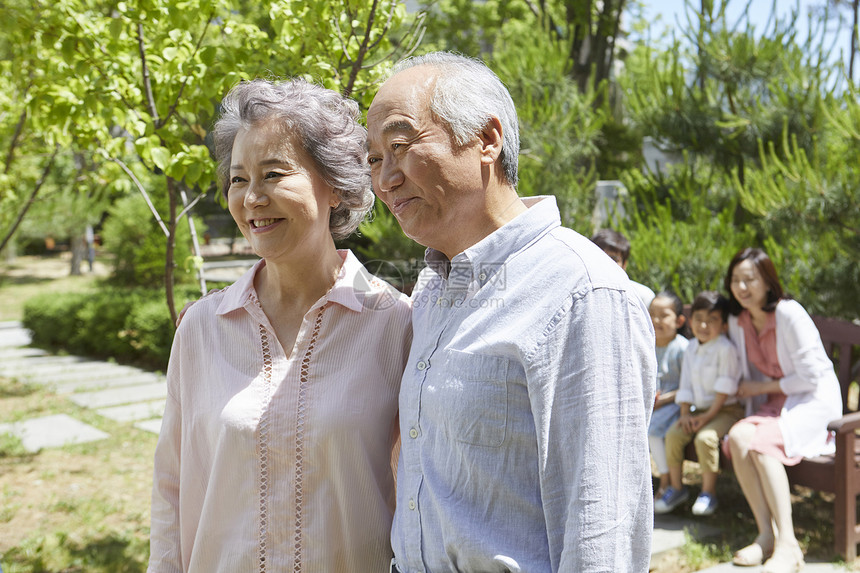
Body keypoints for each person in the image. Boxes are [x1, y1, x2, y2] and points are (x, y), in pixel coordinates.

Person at [367, 52, 657, 572]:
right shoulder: (434, 290)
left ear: (487, 139)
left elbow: (602, 529)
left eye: (400, 146)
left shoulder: (581, 291)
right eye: (373, 158)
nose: (385, 178)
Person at [147, 79, 412, 572]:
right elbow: (171, 490)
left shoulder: (397, 325)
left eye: (273, 174)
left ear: (334, 186)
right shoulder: (201, 329)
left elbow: (420, 498)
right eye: (239, 178)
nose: (251, 198)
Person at [724, 248, 842, 572]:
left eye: (750, 279)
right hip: (777, 404)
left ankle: (789, 545)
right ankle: (766, 536)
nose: (742, 287)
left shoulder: (789, 313)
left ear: (767, 281)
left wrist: (760, 390)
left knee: (763, 445)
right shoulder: (740, 320)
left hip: (813, 402)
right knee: (737, 437)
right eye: (736, 280)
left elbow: (810, 376)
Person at [655, 290, 743, 517]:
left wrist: (705, 418)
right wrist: (685, 414)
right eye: (699, 319)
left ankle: (708, 492)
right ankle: (676, 487)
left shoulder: (726, 349)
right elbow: (685, 385)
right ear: (691, 320)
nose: (703, 325)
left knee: (706, 438)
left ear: (723, 325)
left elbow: (724, 391)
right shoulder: (692, 348)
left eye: (711, 320)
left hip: (726, 410)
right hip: (699, 410)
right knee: (674, 435)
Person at [648, 290, 689, 498]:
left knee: (652, 430)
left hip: (677, 404)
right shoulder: (647, 345)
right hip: (654, 405)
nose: (656, 320)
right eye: (652, 314)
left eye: (663, 315)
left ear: (679, 320)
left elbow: (690, 385)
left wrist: (664, 399)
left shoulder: (682, 348)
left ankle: (664, 480)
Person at [590, 228, 656, 306]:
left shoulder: (643, 297)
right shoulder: (580, 293)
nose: (606, 264)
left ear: (624, 264)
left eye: (613, 259)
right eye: (601, 258)